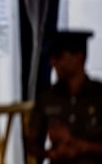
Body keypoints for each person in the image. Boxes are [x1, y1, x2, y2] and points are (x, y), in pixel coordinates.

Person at [27, 30, 102, 164]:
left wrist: (83, 147)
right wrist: (49, 153)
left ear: (79, 57)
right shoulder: (47, 97)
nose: (53, 63)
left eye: (59, 57)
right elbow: (31, 142)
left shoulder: (98, 95)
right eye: (52, 57)